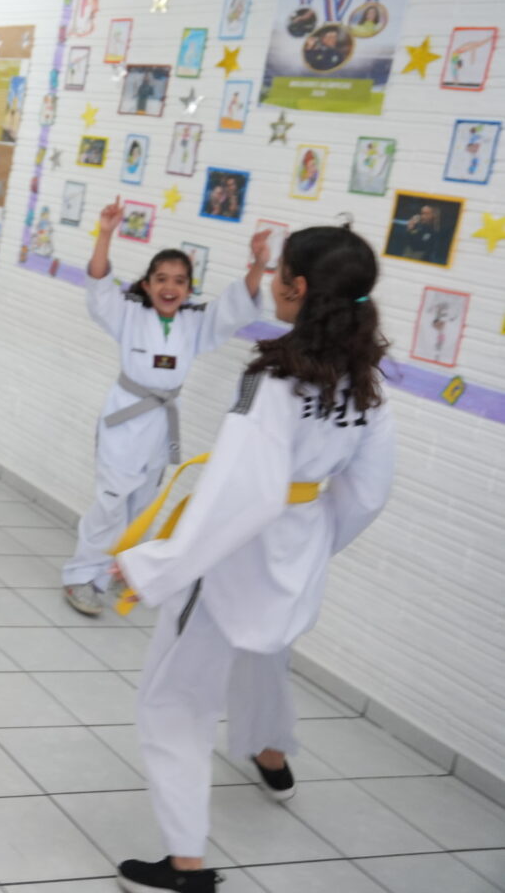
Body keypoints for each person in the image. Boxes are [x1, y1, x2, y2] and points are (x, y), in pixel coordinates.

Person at [111, 225, 395, 893]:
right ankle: (271, 756)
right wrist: (315, 546)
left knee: (174, 703)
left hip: (235, 557)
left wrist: (155, 563)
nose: (269, 279)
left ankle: (185, 867)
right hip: (296, 553)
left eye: (278, 272)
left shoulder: (275, 378)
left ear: (297, 288)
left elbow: (236, 494)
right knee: (265, 655)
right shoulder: (366, 379)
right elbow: (369, 494)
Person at [60, 197, 270, 616]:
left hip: (160, 423)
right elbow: (99, 288)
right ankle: (82, 576)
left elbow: (233, 308)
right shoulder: (128, 315)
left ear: (189, 288)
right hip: (124, 419)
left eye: (179, 280)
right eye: (160, 279)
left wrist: (258, 263)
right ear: (147, 284)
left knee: (142, 505)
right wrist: (105, 234)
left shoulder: (195, 322)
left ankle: (120, 574)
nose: (169, 287)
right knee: (111, 502)